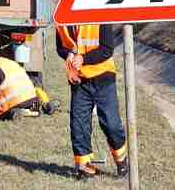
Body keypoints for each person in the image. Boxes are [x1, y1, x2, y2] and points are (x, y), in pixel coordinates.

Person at [55, 23, 129, 181]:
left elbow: (107, 49)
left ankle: (121, 161)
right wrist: (68, 54)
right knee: (78, 125)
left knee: (111, 124)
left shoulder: (99, 16)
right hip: (79, 80)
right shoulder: (61, 20)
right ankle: (85, 168)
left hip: (103, 77)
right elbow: (61, 47)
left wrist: (83, 58)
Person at [0, 48, 54, 121]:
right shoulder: (12, 63)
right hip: (31, 98)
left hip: (16, 101)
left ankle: (15, 112)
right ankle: (29, 110)